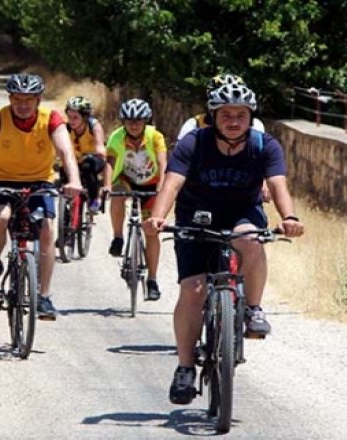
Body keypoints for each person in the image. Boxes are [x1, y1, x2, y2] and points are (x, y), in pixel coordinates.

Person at [142, 81, 305, 405]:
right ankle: (185, 368)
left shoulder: (264, 145)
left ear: (250, 117)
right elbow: (172, 184)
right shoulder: (193, 144)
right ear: (213, 116)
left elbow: (277, 184)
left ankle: (254, 309)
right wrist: (157, 218)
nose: (234, 121)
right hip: (197, 217)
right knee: (193, 290)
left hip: (241, 214)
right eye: (226, 115)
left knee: (252, 240)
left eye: (241, 115)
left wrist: (290, 218)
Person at [0, 73, 82, 320]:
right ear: (10, 99)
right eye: (17, 99)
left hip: (38, 181)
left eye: (29, 100)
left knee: (47, 230)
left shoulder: (51, 119)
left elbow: (66, 152)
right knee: (0, 218)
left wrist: (74, 180)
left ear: (38, 100)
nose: (23, 105)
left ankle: (44, 296)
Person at [103, 98, 167, 301]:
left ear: (146, 121)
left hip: (151, 182)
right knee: (117, 195)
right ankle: (118, 237)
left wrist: (162, 190)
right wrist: (105, 185)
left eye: (138, 121)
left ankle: (153, 280)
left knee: (151, 231)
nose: (133, 124)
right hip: (127, 178)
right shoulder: (116, 137)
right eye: (129, 120)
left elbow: (163, 163)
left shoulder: (155, 136)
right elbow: (110, 163)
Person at [177, 73, 270, 202]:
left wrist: (264, 182)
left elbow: (261, 158)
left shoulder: (255, 127)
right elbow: (180, 161)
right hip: (201, 193)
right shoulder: (193, 125)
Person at [63, 96, 108, 212]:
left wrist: (99, 150)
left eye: (75, 117)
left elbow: (100, 146)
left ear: (85, 117)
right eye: (69, 117)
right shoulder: (66, 128)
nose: (71, 120)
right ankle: (67, 203)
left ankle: (94, 198)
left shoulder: (94, 126)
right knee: (63, 170)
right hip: (77, 160)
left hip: (94, 159)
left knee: (87, 166)